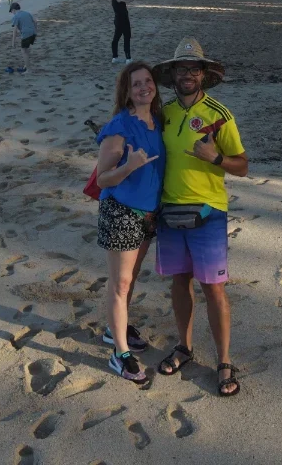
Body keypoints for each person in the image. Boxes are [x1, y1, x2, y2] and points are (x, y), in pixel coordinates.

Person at [151, 39, 248, 397]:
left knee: (213, 288)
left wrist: (215, 158)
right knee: (179, 282)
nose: (188, 74)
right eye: (182, 68)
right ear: (172, 74)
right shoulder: (164, 114)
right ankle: (184, 347)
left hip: (208, 212)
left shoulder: (220, 115)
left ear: (204, 75)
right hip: (169, 210)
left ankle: (223, 361)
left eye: (194, 69)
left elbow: (243, 166)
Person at [93, 62, 166, 382]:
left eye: (148, 81)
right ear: (126, 91)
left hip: (150, 213)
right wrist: (129, 166)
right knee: (120, 283)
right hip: (121, 211)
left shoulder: (158, 122)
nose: (143, 88)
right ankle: (120, 353)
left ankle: (115, 328)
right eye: (136, 84)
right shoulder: (118, 128)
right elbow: (103, 180)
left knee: (131, 278)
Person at [111, 0, 137, 64]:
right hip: (123, 20)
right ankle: (128, 59)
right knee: (126, 38)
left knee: (116, 38)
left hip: (118, 20)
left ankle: (115, 57)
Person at [8, 2, 36, 73]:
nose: (12, 13)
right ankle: (27, 65)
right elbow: (35, 21)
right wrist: (35, 30)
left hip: (26, 34)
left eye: (11, 11)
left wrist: (13, 42)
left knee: (23, 51)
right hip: (33, 33)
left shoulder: (16, 16)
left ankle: (28, 69)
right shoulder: (27, 13)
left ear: (13, 9)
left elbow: (15, 30)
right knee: (26, 49)